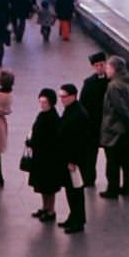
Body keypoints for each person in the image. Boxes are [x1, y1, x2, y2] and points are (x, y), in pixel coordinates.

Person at [100, 56, 129, 199]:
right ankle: (128, 188)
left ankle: (113, 190)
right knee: (127, 161)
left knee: (112, 161)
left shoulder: (114, 86)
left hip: (114, 130)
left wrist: (128, 123)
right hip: (127, 130)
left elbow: (120, 109)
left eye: (108, 67)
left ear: (114, 69)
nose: (106, 70)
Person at [56, 83, 89, 233]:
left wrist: (72, 160)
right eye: (60, 96)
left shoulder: (78, 114)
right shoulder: (71, 110)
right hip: (66, 158)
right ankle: (73, 216)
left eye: (64, 96)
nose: (61, 100)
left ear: (73, 96)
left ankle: (78, 220)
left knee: (76, 190)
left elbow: (79, 140)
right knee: (71, 190)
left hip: (73, 161)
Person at [27, 88, 62, 222]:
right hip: (41, 157)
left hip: (48, 158)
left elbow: (50, 139)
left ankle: (51, 210)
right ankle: (45, 207)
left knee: (49, 187)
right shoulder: (44, 115)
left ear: (51, 103)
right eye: (40, 102)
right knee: (43, 186)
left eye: (44, 102)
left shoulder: (52, 118)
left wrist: (33, 142)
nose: (42, 105)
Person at [79, 52, 109, 187]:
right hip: (93, 124)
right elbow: (83, 103)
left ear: (105, 65)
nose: (99, 68)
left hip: (108, 123)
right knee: (91, 154)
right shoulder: (88, 83)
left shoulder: (112, 81)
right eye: (96, 65)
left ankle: (111, 182)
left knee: (111, 155)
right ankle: (89, 179)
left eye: (101, 65)